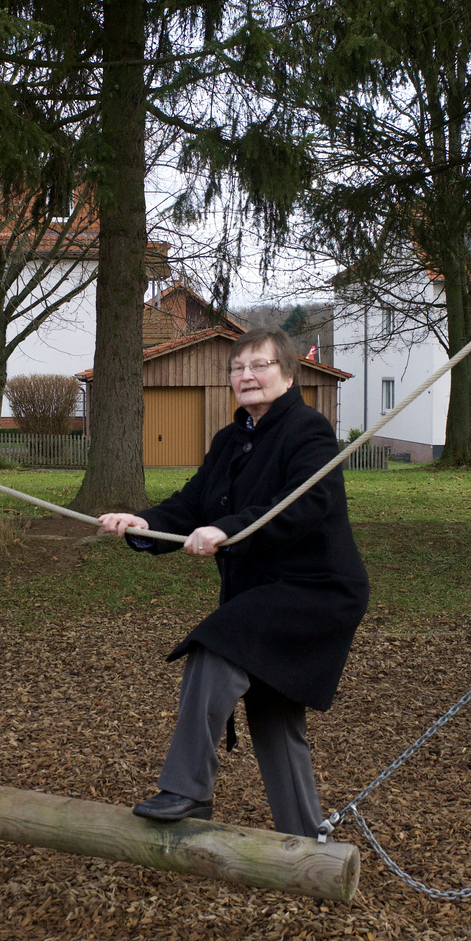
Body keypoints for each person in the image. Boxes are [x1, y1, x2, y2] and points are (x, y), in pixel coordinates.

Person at [98, 329, 369, 837]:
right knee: (273, 712)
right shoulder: (230, 440)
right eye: (237, 368)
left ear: (288, 374)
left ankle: (189, 789)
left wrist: (226, 530)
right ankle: (307, 843)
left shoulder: (309, 431)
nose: (247, 376)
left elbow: (303, 506)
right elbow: (192, 504)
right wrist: (140, 524)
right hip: (266, 589)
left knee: (216, 645)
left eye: (259, 366)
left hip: (315, 590)